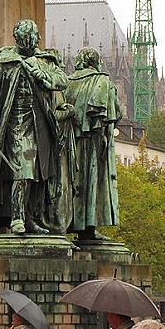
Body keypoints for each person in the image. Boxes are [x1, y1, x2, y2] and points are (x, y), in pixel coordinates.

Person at [0, 19, 68, 234]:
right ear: (21, 39)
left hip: (42, 125)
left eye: (35, 37)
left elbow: (61, 80)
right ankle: (17, 217)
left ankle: (30, 217)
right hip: (15, 123)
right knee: (23, 170)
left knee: (40, 174)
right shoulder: (2, 62)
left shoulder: (44, 61)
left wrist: (42, 75)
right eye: (31, 38)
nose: (35, 41)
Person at [64, 48, 121, 240]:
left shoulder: (66, 83)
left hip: (68, 143)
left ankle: (68, 223)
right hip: (92, 142)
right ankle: (88, 227)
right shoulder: (102, 82)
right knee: (91, 182)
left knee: (71, 183)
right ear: (95, 62)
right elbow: (116, 113)